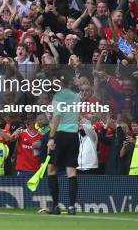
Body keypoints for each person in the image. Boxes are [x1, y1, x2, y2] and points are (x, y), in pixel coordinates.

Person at [46, 72, 81, 215]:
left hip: (60, 134)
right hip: (73, 135)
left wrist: (51, 137)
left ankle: (55, 207)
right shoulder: (77, 97)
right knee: (71, 172)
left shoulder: (58, 97)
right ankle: (72, 207)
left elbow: (57, 118)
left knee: (52, 170)